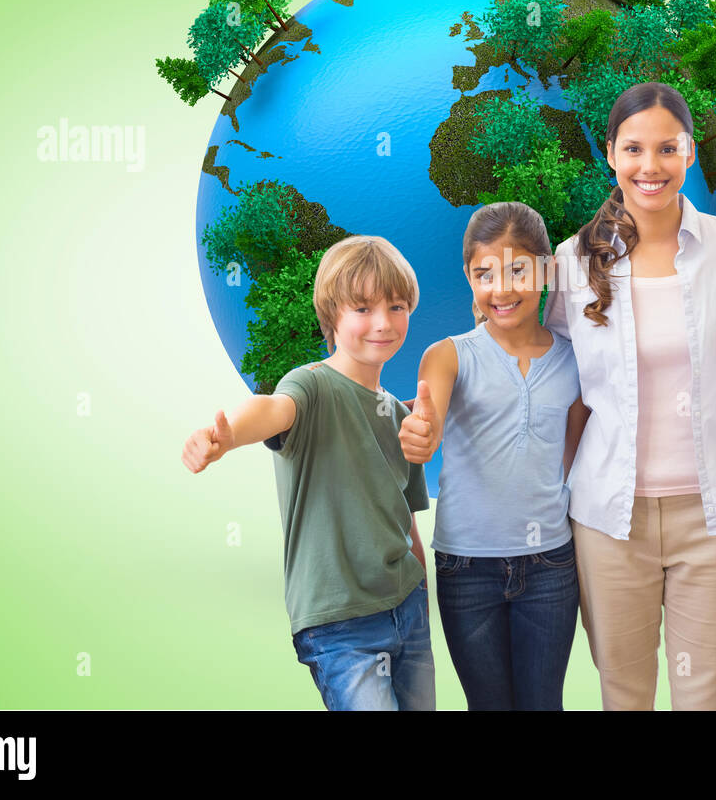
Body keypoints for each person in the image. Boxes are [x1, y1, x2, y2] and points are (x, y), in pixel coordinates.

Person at [543, 80, 716, 710]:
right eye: (633, 149)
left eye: (667, 149)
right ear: (610, 154)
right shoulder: (575, 260)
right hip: (607, 516)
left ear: (689, 155)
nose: (649, 167)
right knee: (624, 694)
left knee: (706, 697)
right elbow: (560, 384)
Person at [181, 235, 434, 711]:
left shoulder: (401, 417)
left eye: (397, 306)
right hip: (339, 625)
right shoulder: (311, 386)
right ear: (332, 317)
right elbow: (272, 409)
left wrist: (419, 585)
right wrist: (227, 436)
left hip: (407, 608)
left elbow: (405, 517)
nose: (383, 323)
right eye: (363, 308)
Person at [398, 201, 583, 710]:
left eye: (518, 270)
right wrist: (422, 432)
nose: (502, 289)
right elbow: (427, 419)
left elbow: (576, 452)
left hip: (550, 564)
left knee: (543, 702)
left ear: (545, 269)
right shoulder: (449, 354)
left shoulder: (575, 359)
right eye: (485, 274)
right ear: (469, 277)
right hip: (465, 566)